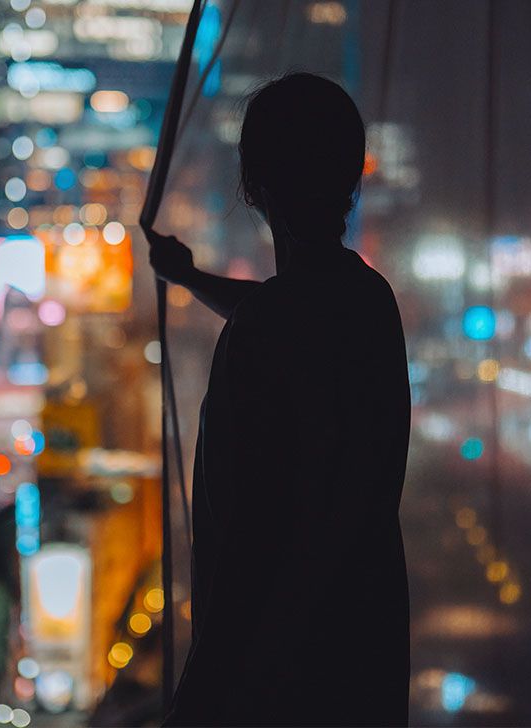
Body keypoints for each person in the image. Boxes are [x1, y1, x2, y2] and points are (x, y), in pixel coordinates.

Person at [144, 72, 411, 726]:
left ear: (251, 186)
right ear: (352, 179)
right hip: (363, 669)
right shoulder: (369, 303)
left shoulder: (267, 332)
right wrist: (189, 278)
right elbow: (285, 313)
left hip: (272, 686)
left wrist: (197, 700)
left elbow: (254, 544)